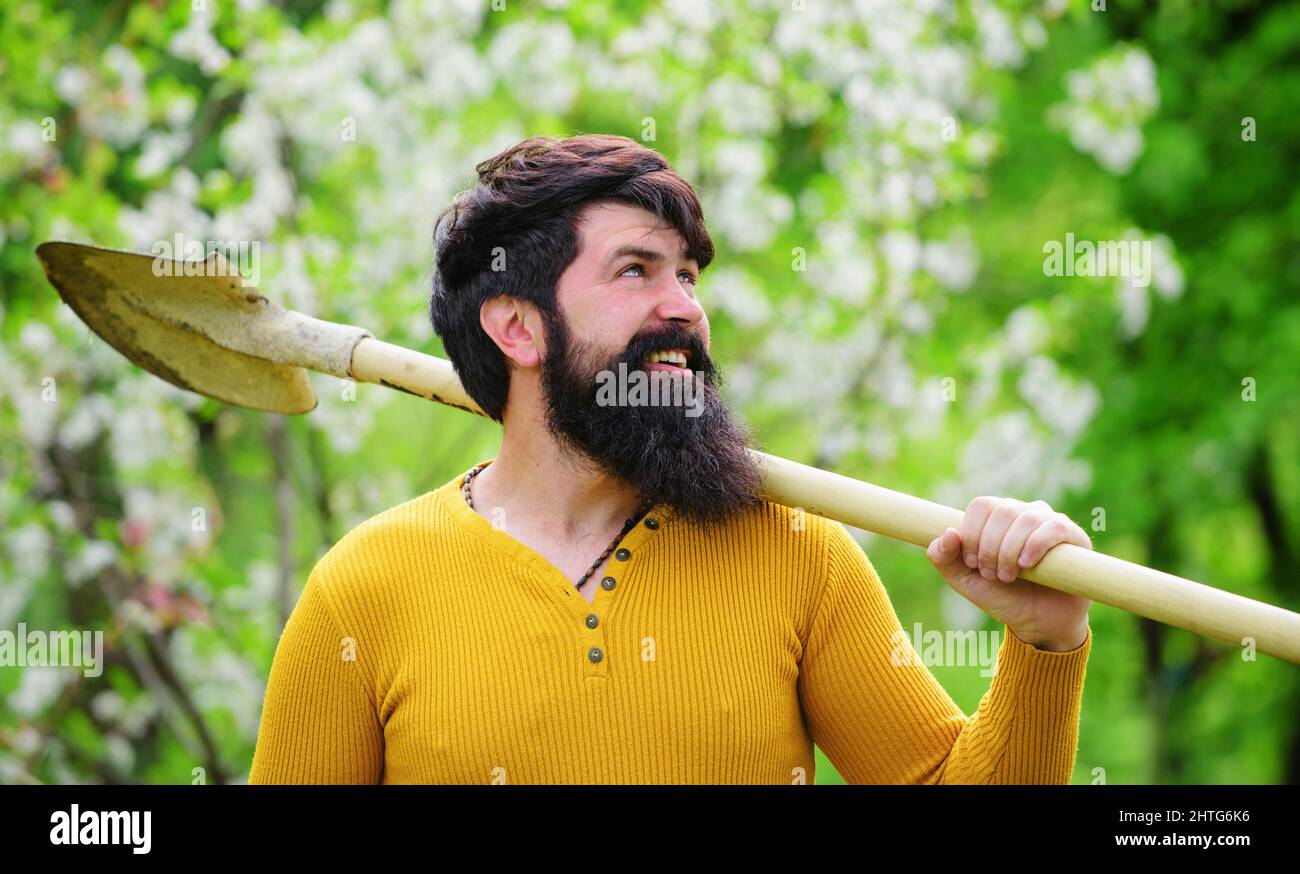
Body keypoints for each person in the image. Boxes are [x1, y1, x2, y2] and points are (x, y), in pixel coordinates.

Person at [248, 133, 1092, 785]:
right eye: (636, 271)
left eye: (688, 276)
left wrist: (1045, 642)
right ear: (517, 327)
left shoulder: (799, 554)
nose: (684, 308)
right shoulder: (362, 591)